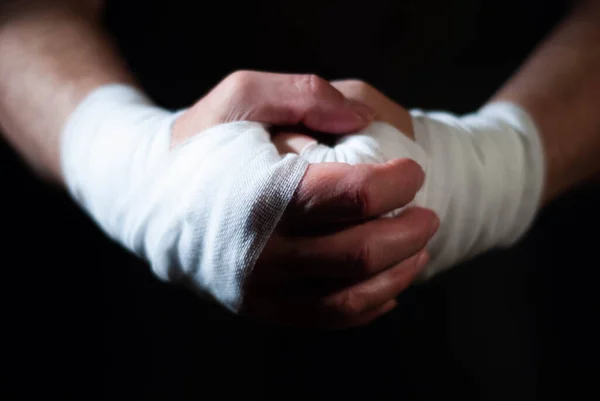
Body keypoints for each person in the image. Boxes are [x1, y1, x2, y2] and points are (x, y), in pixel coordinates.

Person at [0, 0, 599, 397]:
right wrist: (138, 168)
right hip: (135, 303)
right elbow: (19, 18)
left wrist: (491, 166)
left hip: (509, 284)